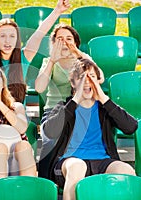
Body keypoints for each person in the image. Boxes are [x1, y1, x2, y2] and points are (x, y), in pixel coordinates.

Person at [43, 58, 137, 200]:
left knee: (126, 170)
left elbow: (131, 127)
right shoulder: (64, 107)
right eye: (81, 77)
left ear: (98, 81)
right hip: (70, 161)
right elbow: (49, 132)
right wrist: (75, 101)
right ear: (72, 83)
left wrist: (104, 99)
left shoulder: (105, 109)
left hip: (102, 161)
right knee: (78, 167)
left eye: (91, 77)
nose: (87, 81)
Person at [0, 0, 71, 102]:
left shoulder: (23, 58)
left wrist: (58, 10)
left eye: (12, 36)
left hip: (17, 116)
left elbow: (39, 34)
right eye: (2, 36)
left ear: (17, 40)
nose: (7, 41)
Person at [35, 24, 104, 178]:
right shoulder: (49, 61)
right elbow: (39, 87)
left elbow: (99, 78)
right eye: (60, 39)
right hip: (55, 110)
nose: (64, 42)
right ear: (53, 43)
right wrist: (53, 60)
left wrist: (77, 52)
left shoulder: (82, 60)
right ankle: (45, 182)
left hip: (80, 109)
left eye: (69, 39)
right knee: (50, 141)